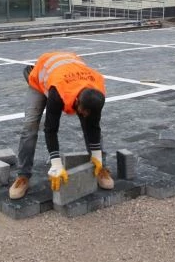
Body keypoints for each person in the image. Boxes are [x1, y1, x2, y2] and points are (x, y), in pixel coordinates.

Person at [9, 51, 115, 200]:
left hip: (69, 71)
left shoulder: (97, 91)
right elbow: (51, 129)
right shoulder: (57, 93)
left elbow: (94, 126)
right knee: (30, 126)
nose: (83, 115)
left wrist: (97, 155)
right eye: (83, 112)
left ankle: (100, 167)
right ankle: (23, 176)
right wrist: (56, 164)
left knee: (89, 123)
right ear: (77, 102)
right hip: (42, 79)